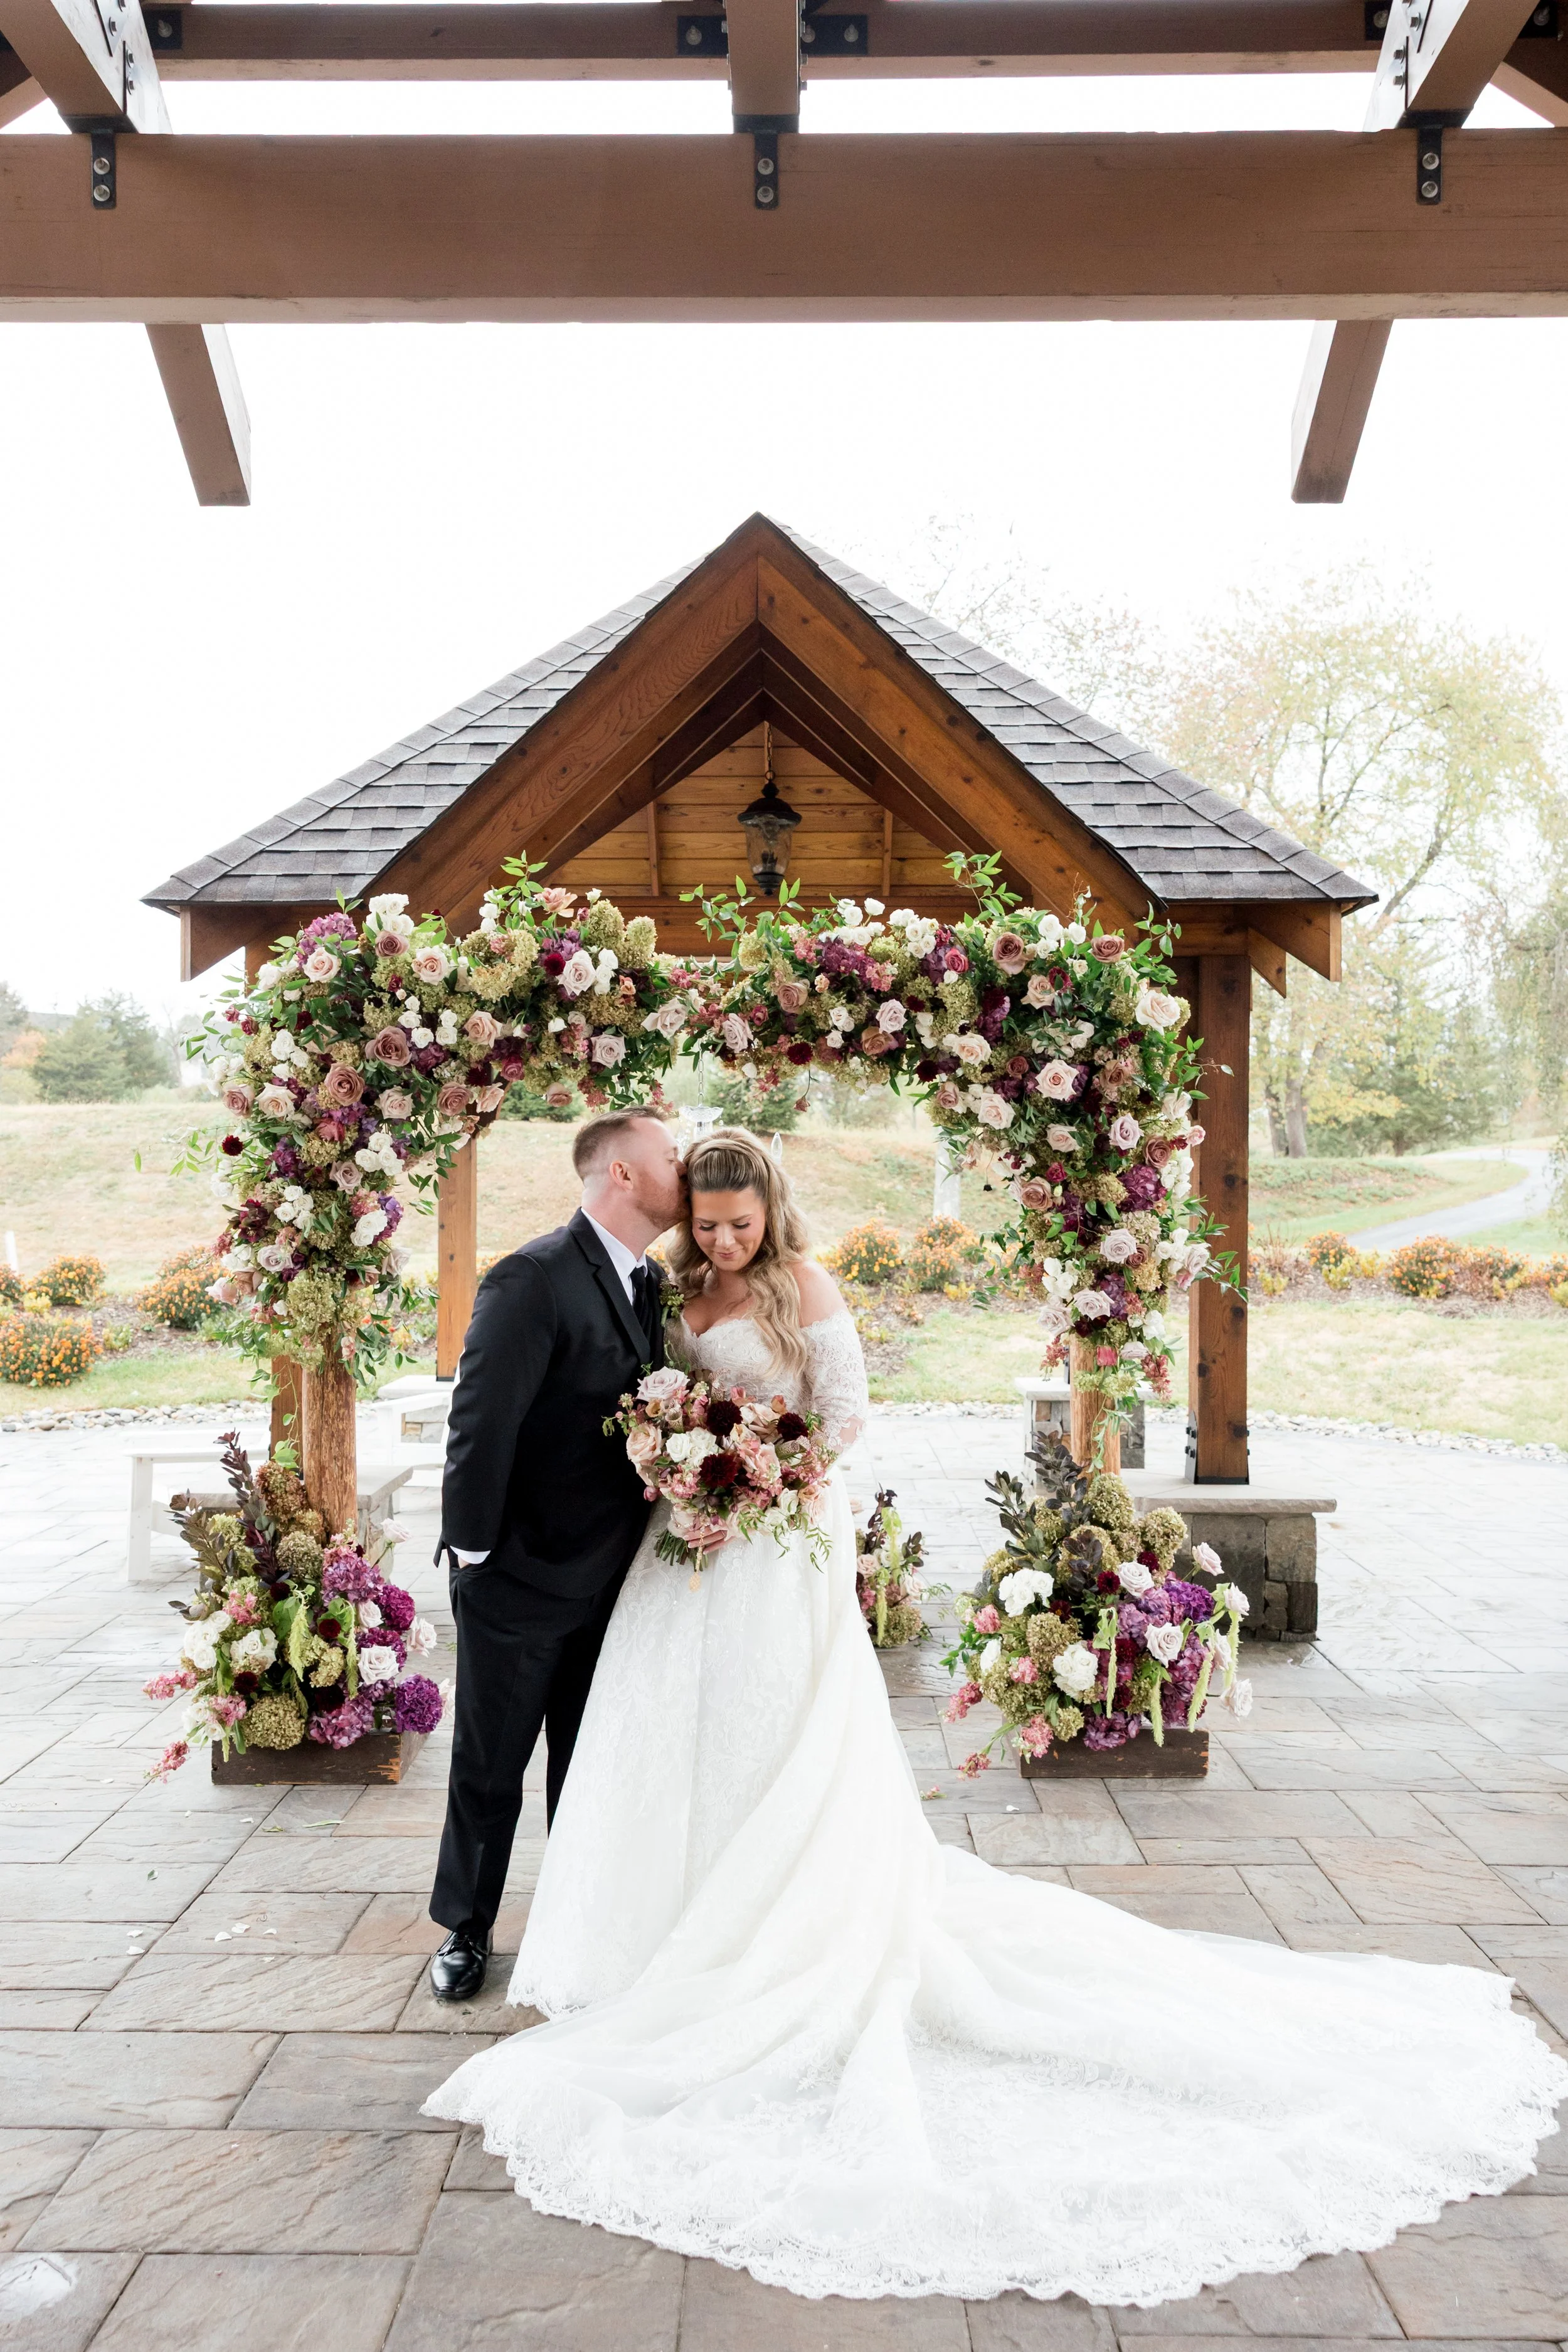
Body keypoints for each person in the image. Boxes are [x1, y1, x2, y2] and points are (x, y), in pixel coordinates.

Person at [426, 1126, 1567, 2304]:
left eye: (737, 1220)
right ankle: (617, 1922)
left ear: (771, 1210)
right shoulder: (653, 1289)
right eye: (706, 1219)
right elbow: (604, 1407)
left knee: (768, 1737)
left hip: (775, 1547)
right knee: (651, 1738)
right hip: (670, 1554)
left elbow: (848, 1412)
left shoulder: (798, 1286)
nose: (720, 1235)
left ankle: (753, 1929)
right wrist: (678, 1466)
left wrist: (770, 1463)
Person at [426, 1108, 684, 2002]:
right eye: (669, 1154)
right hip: (521, 1574)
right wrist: (476, 1554)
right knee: (491, 1763)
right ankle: (467, 1924)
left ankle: (575, 1925)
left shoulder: (650, 1279)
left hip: (614, 1579)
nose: (682, 1165)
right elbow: (479, 1420)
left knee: (587, 1762)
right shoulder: (530, 1277)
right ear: (621, 1173)